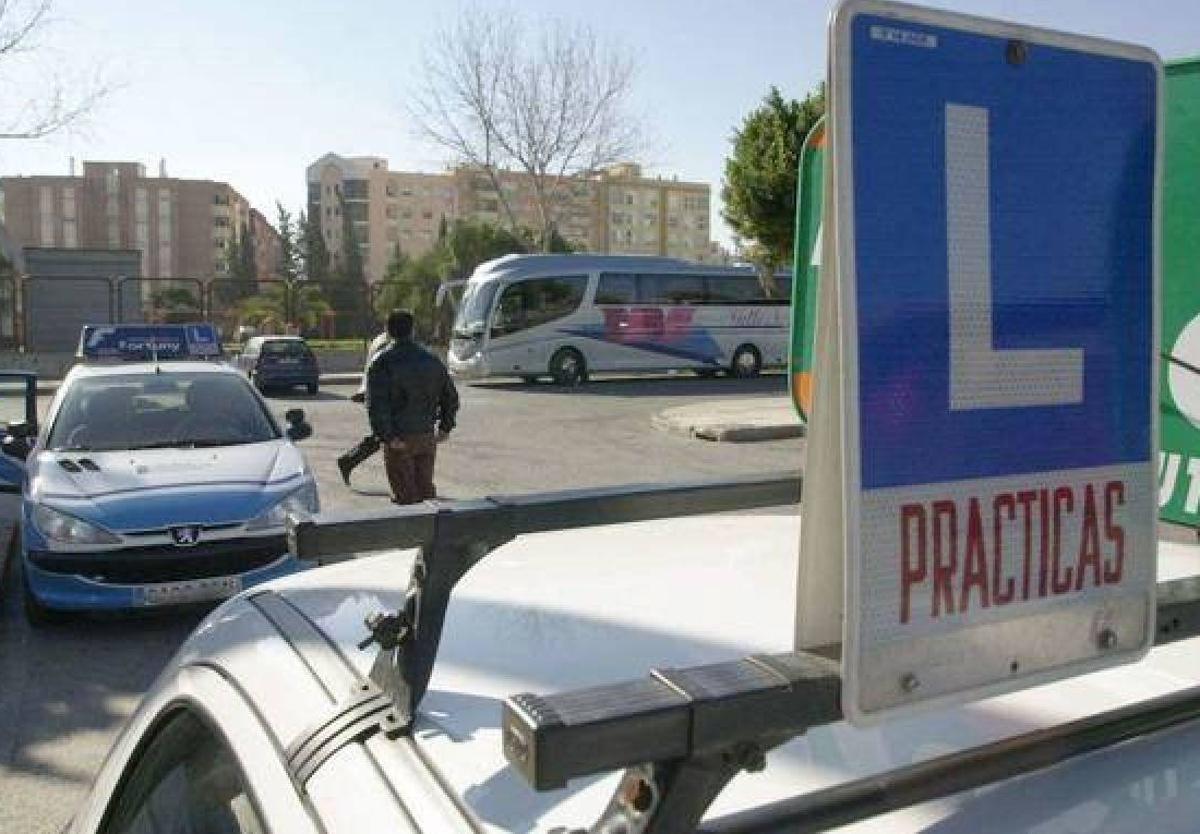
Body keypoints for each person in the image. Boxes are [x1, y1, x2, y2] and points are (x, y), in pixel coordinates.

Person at [366, 309, 459, 504]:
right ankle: (433, 531)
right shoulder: (431, 360)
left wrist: (388, 437)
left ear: (388, 331)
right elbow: (450, 396)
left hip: (400, 438)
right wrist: (445, 427)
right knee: (426, 491)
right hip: (426, 435)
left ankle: (412, 533)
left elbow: (377, 405)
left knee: (405, 495)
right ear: (413, 330)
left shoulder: (382, 362)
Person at [337, 329, 392, 485]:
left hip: (377, 393)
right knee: (386, 435)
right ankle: (348, 461)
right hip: (381, 395)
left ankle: (348, 461)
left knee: (384, 435)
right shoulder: (385, 343)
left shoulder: (380, 339)